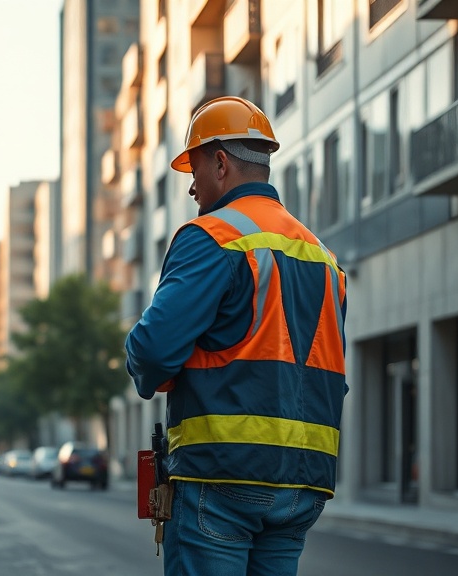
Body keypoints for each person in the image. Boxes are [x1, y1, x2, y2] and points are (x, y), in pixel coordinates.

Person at [125, 96, 348, 576]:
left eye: (196, 169)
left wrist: (155, 370)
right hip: (304, 484)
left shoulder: (211, 237)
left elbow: (152, 351)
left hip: (222, 474)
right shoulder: (324, 259)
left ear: (221, 163)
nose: (191, 187)